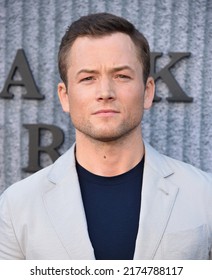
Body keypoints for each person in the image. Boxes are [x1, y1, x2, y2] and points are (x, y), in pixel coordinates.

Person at [0, 13, 212, 260]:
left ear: (147, 91)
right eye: (88, 78)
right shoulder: (16, 207)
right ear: (65, 96)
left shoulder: (204, 194)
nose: (105, 92)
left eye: (121, 76)